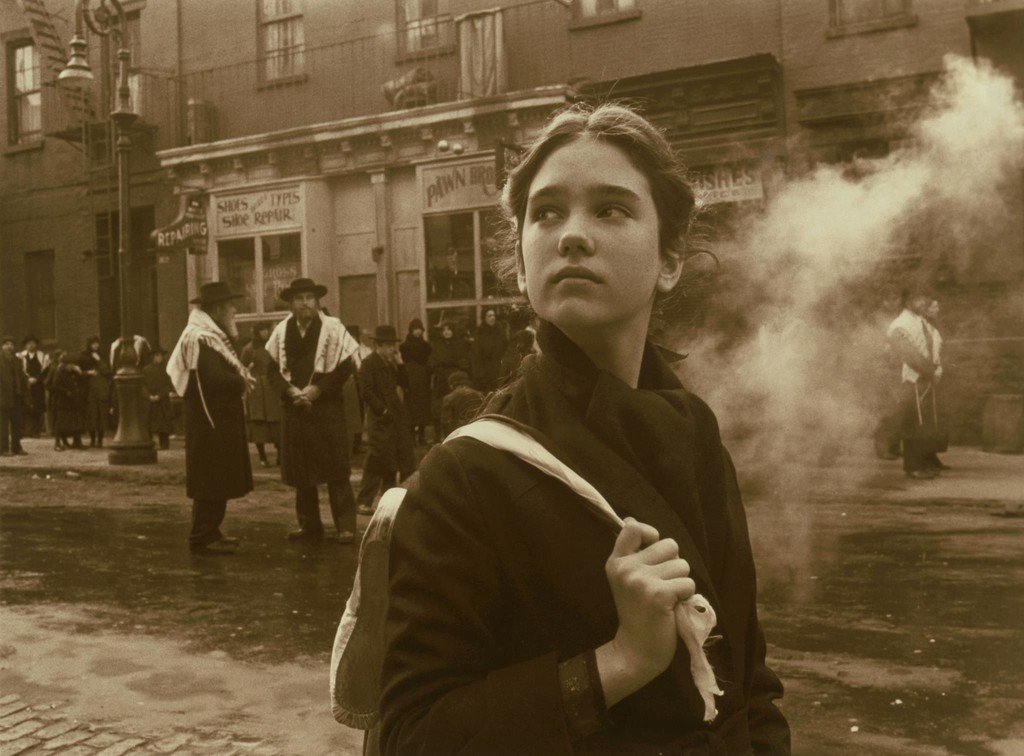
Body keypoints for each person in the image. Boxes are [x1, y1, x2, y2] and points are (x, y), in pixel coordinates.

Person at [379, 103, 789, 753]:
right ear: (519, 265)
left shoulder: (695, 430)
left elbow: (748, 675)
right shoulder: (467, 474)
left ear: (670, 259)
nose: (571, 234)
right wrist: (620, 662)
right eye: (545, 213)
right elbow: (411, 736)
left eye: (611, 209)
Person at [265, 278, 360, 542]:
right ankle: (309, 524)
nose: (305, 303)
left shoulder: (333, 328)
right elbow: (272, 371)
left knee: (336, 470)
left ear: (317, 302)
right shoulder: (281, 332)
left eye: (309, 297)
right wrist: (289, 391)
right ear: (291, 304)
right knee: (301, 470)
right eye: (299, 298)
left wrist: (317, 391)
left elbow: (345, 368)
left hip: (326, 409)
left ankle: (346, 526)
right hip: (295, 408)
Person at [167, 281, 254, 554]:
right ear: (216, 309)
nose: (234, 310)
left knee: (216, 479)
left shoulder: (206, 336)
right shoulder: (201, 339)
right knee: (211, 481)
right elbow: (212, 378)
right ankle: (202, 535)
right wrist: (239, 381)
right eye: (230, 306)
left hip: (215, 422)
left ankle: (211, 530)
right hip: (210, 424)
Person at [356, 325, 415, 515]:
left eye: (393, 345)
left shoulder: (391, 363)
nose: (393, 349)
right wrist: (382, 410)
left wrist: (400, 363)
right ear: (378, 345)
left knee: (392, 460)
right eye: (389, 345)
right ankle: (363, 501)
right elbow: (366, 391)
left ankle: (387, 502)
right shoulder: (369, 363)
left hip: (395, 417)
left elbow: (405, 384)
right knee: (376, 458)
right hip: (379, 418)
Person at [887, 289, 942, 480]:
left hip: (924, 376)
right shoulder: (900, 325)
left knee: (923, 423)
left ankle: (923, 462)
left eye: (923, 299)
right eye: (917, 299)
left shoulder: (919, 321)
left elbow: (930, 347)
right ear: (908, 302)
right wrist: (929, 371)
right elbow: (910, 355)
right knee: (912, 422)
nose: (922, 303)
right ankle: (913, 466)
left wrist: (935, 369)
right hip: (911, 378)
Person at [241, 323, 281, 467]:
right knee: (258, 423)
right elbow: (242, 368)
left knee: (276, 421)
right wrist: (250, 370)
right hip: (257, 389)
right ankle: (262, 456)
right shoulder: (249, 349)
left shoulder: (273, 346)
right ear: (257, 332)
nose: (265, 333)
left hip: (272, 387)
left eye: (267, 330)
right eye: (262, 330)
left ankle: (280, 455)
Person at [428, 321, 470, 430]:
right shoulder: (438, 345)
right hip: (441, 380)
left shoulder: (459, 344)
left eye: (449, 329)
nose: (446, 332)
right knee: (441, 406)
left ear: (453, 331)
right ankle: (440, 430)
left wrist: (448, 362)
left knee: (456, 404)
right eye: (444, 330)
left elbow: (463, 362)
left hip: (455, 380)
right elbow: (432, 362)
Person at [923, 299, 949, 471]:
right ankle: (926, 455)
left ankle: (932, 454)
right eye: (934, 306)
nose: (937, 309)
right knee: (926, 418)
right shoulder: (921, 326)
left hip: (937, 372)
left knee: (936, 418)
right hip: (927, 373)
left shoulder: (935, 326)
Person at [399, 319, 432, 445]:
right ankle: (411, 436)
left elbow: (429, 362)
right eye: (415, 329)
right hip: (410, 380)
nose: (417, 331)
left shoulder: (426, 346)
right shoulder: (404, 346)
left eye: (419, 329)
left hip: (423, 380)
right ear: (411, 330)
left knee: (422, 408)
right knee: (410, 409)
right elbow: (402, 365)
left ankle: (422, 436)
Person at [81, 337, 112, 448]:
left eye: (97, 343)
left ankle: (99, 440)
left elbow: (107, 372)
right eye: (93, 344)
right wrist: (88, 372)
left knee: (101, 416)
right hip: (89, 391)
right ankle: (92, 440)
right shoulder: (84, 356)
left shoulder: (101, 356)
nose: (95, 346)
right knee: (92, 416)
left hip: (101, 390)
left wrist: (98, 359)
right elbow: (79, 372)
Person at [51, 353, 86, 450]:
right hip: (63, 402)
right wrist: (66, 392)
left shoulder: (74, 372)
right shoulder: (59, 372)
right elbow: (55, 386)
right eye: (70, 364)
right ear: (65, 365)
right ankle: (57, 443)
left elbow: (80, 383)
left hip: (74, 401)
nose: (72, 366)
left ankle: (77, 441)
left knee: (76, 421)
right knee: (61, 423)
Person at [143, 347, 175, 450]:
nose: (159, 358)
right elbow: (142, 385)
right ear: (153, 357)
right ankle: (149, 443)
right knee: (149, 422)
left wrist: (160, 395)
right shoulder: (146, 370)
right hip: (150, 400)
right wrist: (148, 396)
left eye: (160, 355)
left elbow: (169, 385)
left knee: (163, 424)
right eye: (157, 355)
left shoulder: (167, 370)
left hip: (162, 400)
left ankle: (164, 444)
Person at [17, 336, 49, 438]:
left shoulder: (42, 356)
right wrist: (27, 379)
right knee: (24, 407)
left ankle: (36, 431)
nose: (31, 345)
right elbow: (20, 370)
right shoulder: (20, 356)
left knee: (38, 407)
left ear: (36, 344)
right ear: (26, 345)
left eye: (33, 343)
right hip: (25, 386)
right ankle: (24, 431)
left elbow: (45, 371)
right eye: (29, 343)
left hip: (38, 386)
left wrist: (37, 379)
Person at [0, 337, 27, 456]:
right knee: (3, 424)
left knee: (17, 422)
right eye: (6, 344)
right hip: (2, 396)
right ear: (2, 346)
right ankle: (3, 448)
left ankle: (17, 447)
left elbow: (21, 376)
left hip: (16, 396)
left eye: (11, 344)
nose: (9, 347)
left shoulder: (17, 360)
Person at [438, 369, 483, 439]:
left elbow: (446, 422)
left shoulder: (448, 398)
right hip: (478, 434)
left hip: (459, 435)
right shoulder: (479, 395)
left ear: (452, 384)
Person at [471, 308, 507, 392]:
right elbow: (476, 357)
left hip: (499, 372)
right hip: (486, 375)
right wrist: (481, 376)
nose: (492, 318)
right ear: (484, 318)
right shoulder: (479, 335)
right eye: (489, 316)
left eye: (494, 315)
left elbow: (505, 350)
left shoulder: (500, 333)